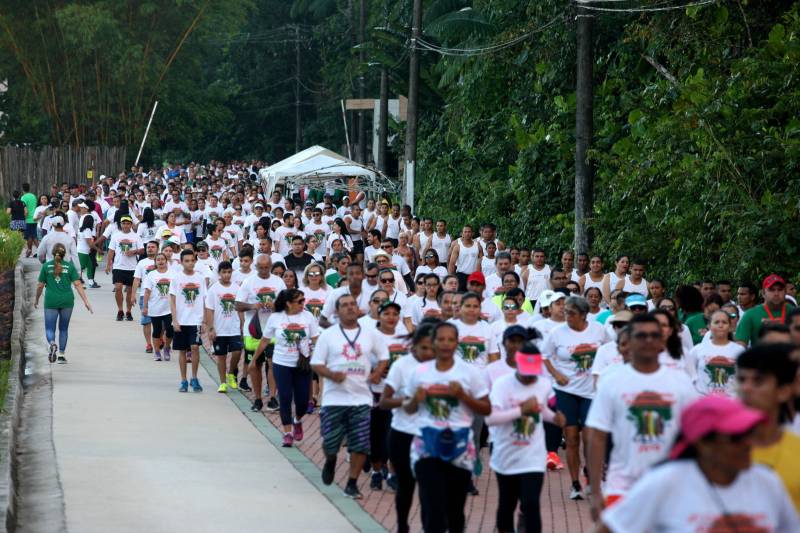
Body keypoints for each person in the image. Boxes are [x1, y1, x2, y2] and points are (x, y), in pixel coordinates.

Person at [598, 395, 799, 532]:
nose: (749, 443)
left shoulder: (767, 481)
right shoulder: (665, 482)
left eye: (749, 433)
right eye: (736, 437)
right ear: (703, 443)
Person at [587, 314, 697, 520]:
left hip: (670, 485)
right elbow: (597, 435)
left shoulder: (680, 382)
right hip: (623, 484)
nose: (648, 340)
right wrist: (595, 492)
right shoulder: (611, 381)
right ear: (629, 341)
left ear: (662, 341)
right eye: (641, 335)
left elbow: (694, 434)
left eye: (654, 335)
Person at [403, 321, 491, 532]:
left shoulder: (469, 373)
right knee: (431, 505)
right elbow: (408, 408)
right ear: (433, 342)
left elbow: (486, 408)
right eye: (440, 339)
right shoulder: (420, 371)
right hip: (426, 445)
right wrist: (416, 399)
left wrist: (462, 396)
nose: (445, 344)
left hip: (459, 445)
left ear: (457, 343)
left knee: (454, 509)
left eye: (450, 339)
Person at [311, 293, 389, 499]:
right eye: (345, 305)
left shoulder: (370, 334)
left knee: (361, 443)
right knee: (330, 441)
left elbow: (384, 357)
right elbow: (316, 363)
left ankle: (352, 483)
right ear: (337, 311)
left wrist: (376, 374)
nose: (350, 308)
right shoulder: (328, 335)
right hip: (334, 399)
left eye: (353, 304)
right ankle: (330, 459)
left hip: (362, 398)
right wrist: (330, 374)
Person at [487, 342, 564, 533]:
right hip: (506, 454)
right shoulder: (502, 385)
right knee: (507, 504)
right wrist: (521, 410)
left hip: (533, 455)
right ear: (516, 363)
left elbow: (543, 410)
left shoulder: (544, 384)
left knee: (531, 504)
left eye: (533, 371)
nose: (529, 376)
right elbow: (491, 419)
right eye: (525, 370)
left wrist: (555, 418)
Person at [541, 295, 610, 500]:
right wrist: (557, 374)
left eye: (570, 312)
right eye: (565, 312)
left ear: (583, 314)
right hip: (566, 390)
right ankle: (575, 484)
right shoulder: (556, 333)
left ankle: (589, 472)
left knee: (589, 437)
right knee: (571, 438)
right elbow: (544, 356)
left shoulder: (598, 330)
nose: (566, 315)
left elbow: (608, 352)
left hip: (591, 391)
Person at [380, 321, 437, 533]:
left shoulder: (443, 366)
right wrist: (408, 400)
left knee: (429, 487)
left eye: (432, 347)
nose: (428, 352)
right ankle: (402, 525)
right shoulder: (402, 366)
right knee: (406, 485)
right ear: (413, 346)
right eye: (423, 347)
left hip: (431, 436)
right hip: (403, 433)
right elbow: (384, 401)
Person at [737, 343, 800, 511]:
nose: (746, 388)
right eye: (742, 379)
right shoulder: (713, 447)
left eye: (758, 381)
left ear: (784, 392)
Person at [258, 288, 318, 447]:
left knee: (303, 402)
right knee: (284, 397)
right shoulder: (276, 318)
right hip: (281, 363)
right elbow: (265, 340)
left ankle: (297, 420)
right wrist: (253, 360)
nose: (303, 304)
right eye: (299, 301)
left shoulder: (308, 316)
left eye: (303, 300)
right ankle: (287, 433)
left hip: (302, 363)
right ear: (288, 303)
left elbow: (316, 338)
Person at [236, 254, 287, 411]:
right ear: (255, 267)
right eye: (261, 267)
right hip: (253, 331)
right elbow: (237, 305)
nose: (264, 270)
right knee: (254, 366)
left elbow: (286, 305)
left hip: (273, 331)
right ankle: (258, 399)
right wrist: (253, 306)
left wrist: (275, 306)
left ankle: (272, 398)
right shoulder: (249, 282)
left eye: (267, 267)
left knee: (272, 364)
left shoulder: (278, 282)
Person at [369, 301, 409, 489]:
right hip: (375, 394)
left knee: (394, 438)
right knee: (376, 440)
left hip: (397, 397)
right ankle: (376, 471)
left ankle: (393, 474)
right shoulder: (370, 338)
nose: (391, 317)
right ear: (379, 316)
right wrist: (375, 370)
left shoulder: (405, 339)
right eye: (387, 314)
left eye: (395, 314)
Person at [34, 243, 93, 363]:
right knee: (63, 329)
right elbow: (77, 284)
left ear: (52, 253)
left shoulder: (46, 267)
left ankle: (52, 343)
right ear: (64, 254)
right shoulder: (69, 267)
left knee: (50, 328)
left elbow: (40, 285)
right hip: (67, 301)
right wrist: (86, 301)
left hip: (51, 300)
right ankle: (61, 355)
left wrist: (36, 299)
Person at [169, 249, 208, 392]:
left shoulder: (200, 278)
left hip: (195, 320)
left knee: (195, 347)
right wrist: (175, 320)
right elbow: (172, 301)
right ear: (181, 262)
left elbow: (204, 299)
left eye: (192, 260)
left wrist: (204, 321)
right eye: (187, 261)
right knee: (182, 351)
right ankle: (183, 380)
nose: (190, 263)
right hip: (181, 320)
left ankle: (194, 377)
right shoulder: (176, 278)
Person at [205, 261, 244, 393]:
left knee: (237, 352)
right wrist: (210, 328)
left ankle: (231, 373)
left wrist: (242, 324)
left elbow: (240, 308)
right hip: (219, 328)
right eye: (224, 272)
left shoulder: (237, 289)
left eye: (229, 272)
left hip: (234, 327)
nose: (227, 275)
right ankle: (222, 383)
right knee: (221, 356)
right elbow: (209, 310)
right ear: (219, 273)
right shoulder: (213, 290)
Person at [686, 310, 743, 397]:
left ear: (730, 326)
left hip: (731, 403)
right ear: (709, 326)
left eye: (724, 322)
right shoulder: (697, 350)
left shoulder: (739, 351)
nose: (720, 325)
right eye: (716, 322)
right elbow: (688, 375)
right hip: (704, 402)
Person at [737, 274, 795, 346]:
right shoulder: (750, 315)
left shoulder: (795, 313)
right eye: (772, 290)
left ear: (785, 292)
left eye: (780, 289)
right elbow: (739, 346)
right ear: (763, 293)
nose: (776, 293)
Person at [105, 215, 144, 321]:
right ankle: (120, 310)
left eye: (128, 223)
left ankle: (128, 311)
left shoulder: (136, 236)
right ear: (121, 224)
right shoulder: (116, 236)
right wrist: (108, 264)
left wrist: (133, 252)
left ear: (131, 224)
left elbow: (142, 250)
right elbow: (111, 251)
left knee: (130, 291)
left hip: (132, 268)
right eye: (124, 223)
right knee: (118, 288)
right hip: (118, 266)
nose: (126, 225)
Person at [142, 253, 176, 362]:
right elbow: (147, 291)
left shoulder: (173, 274)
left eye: (163, 259)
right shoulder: (151, 275)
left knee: (170, 330)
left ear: (166, 261)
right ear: (155, 262)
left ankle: (166, 347)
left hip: (169, 308)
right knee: (157, 330)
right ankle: (157, 351)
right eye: (158, 260)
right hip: (155, 307)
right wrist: (145, 306)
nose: (161, 261)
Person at [448, 225, 482, 291]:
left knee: (473, 297)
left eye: (469, 232)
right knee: (460, 297)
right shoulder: (458, 246)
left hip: (474, 275)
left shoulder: (477, 245)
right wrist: (450, 278)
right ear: (462, 233)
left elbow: (482, 262)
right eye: (465, 232)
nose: (467, 234)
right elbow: (452, 263)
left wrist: (480, 275)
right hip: (461, 275)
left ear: (472, 233)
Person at [76, 213, 100, 288]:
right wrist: (98, 249)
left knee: (89, 266)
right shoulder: (87, 230)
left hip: (81, 250)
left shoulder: (80, 229)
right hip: (83, 252)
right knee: (81, 268)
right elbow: (89, 243)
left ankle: (91, 282)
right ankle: (77, 283)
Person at [20, 183, 39, 257]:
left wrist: (23, 219)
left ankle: (30, 250)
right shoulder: (33, 196)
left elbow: (24, 210)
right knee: (34, 236)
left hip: (27, 219)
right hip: (34, 218)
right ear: (29, 188)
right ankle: (37, 250)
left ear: (23, 189)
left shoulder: (23, 197)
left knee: (28, 236)